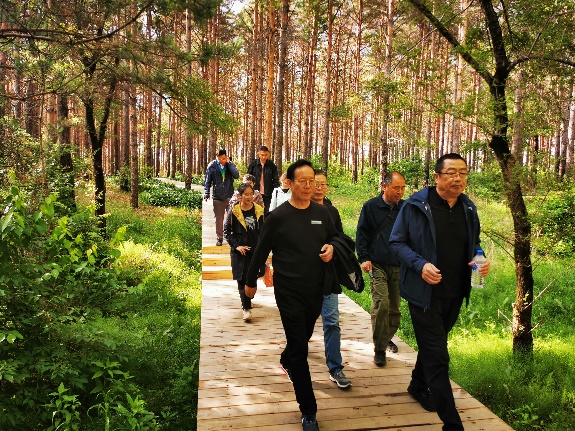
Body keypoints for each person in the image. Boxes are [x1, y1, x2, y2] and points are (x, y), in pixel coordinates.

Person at [389, 153, 491, 431]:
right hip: (423, 293)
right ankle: (452, 424)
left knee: (433, 345)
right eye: (451, 173)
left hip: (455, 292)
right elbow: (396, 243)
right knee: (438, 356)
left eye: (463, 173)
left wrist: (480, 258)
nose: (458, 178)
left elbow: (475, 243)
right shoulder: (415, 206)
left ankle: (417, 385)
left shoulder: (468, 207)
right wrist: (420, 265)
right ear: (437, 177)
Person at [244, 159, 337, 431]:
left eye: (312, 181)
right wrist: (250, 282)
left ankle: (286, 358)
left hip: (315, 290)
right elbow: (261, 250)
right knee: (300, 348)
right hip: (288, 292)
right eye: (302, 181)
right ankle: (309, 411)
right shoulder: (278, 217)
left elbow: (337, 238)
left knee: (301, 339)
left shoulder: (323, 213)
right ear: (290, 183)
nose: (308, 186)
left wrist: (332, 247)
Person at [355, 172, 406, 367]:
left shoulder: (406, 208)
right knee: (381, 304)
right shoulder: (371, 206)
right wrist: (364, 257)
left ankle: (386, 338)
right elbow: (362, 233)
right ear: (384, 187)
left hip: (398, 265)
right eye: (396, 188)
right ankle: (380, 349)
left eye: (402, 188)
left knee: (394, 310)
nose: (400, 192)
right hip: (376, 264)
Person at [310, 170, 352, 390]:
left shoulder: (332, 211)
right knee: (302, 322)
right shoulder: (296, 210)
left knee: (332, 321)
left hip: (328, 275)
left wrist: (333, 247)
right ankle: (293, 358)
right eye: (315, 183)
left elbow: (341, 238)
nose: (319, 188)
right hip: (303, 277)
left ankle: (336, 368)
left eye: (323, 184)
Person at [224, 183, 265, 322]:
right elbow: (227, 231)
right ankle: (246, 308)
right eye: (246, 194)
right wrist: (237, 246)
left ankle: (248, 299)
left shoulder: (259, 210)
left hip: (255, 251)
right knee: (242, 279)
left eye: (251, 194)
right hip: (240, 252)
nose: (249, 197)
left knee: (253, 278)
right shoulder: (234, 211)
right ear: (240, 196)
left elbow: (264, 231)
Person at [203, 149, 239, 246]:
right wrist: (206, 193)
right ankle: (219, 238)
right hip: (217, 197)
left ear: (226, 157)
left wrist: (230, 164)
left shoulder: (230, 165)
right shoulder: (212, 166)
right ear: (217, 158)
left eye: (223, 159)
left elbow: (236, 175)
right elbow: (207, 181)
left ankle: (231, 237)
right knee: (219, 219)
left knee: (231, 218)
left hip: (229, 196)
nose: (221, 161)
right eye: (219, 159)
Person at [247, 145, 280, 215]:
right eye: (262, 155)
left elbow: (275, 180)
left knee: (266, 212)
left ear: (268, 154)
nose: (264, 157)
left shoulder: (272, 165)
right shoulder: (253, 164)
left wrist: (277, 192)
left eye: (265, 155)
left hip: (268, 193)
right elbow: (248, 178)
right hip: (255, 193)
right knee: (254, 212)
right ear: (259, 154)